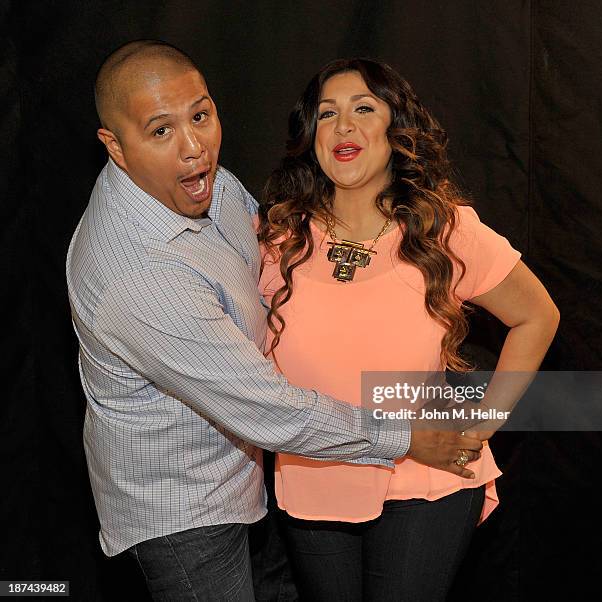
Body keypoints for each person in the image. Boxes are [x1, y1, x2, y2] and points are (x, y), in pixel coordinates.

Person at [66, 42, 487, 601]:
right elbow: (263, 405)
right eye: (161, 131)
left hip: (272, 475)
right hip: (187, 510)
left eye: (201, 115)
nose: (195, 148)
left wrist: (486, 411)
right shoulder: (135, 272)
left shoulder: (225, 197)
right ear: (115, 147)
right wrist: (408, 433)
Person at [258, 58, 560, 601]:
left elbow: (537, 315)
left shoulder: (444, 228)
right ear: (312, 135)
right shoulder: (278, 236)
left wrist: (482, 426)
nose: (343, 126)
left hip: (422, 478)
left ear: (396, 130)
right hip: (312, 474)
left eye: (363, 109)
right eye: (327, 114)